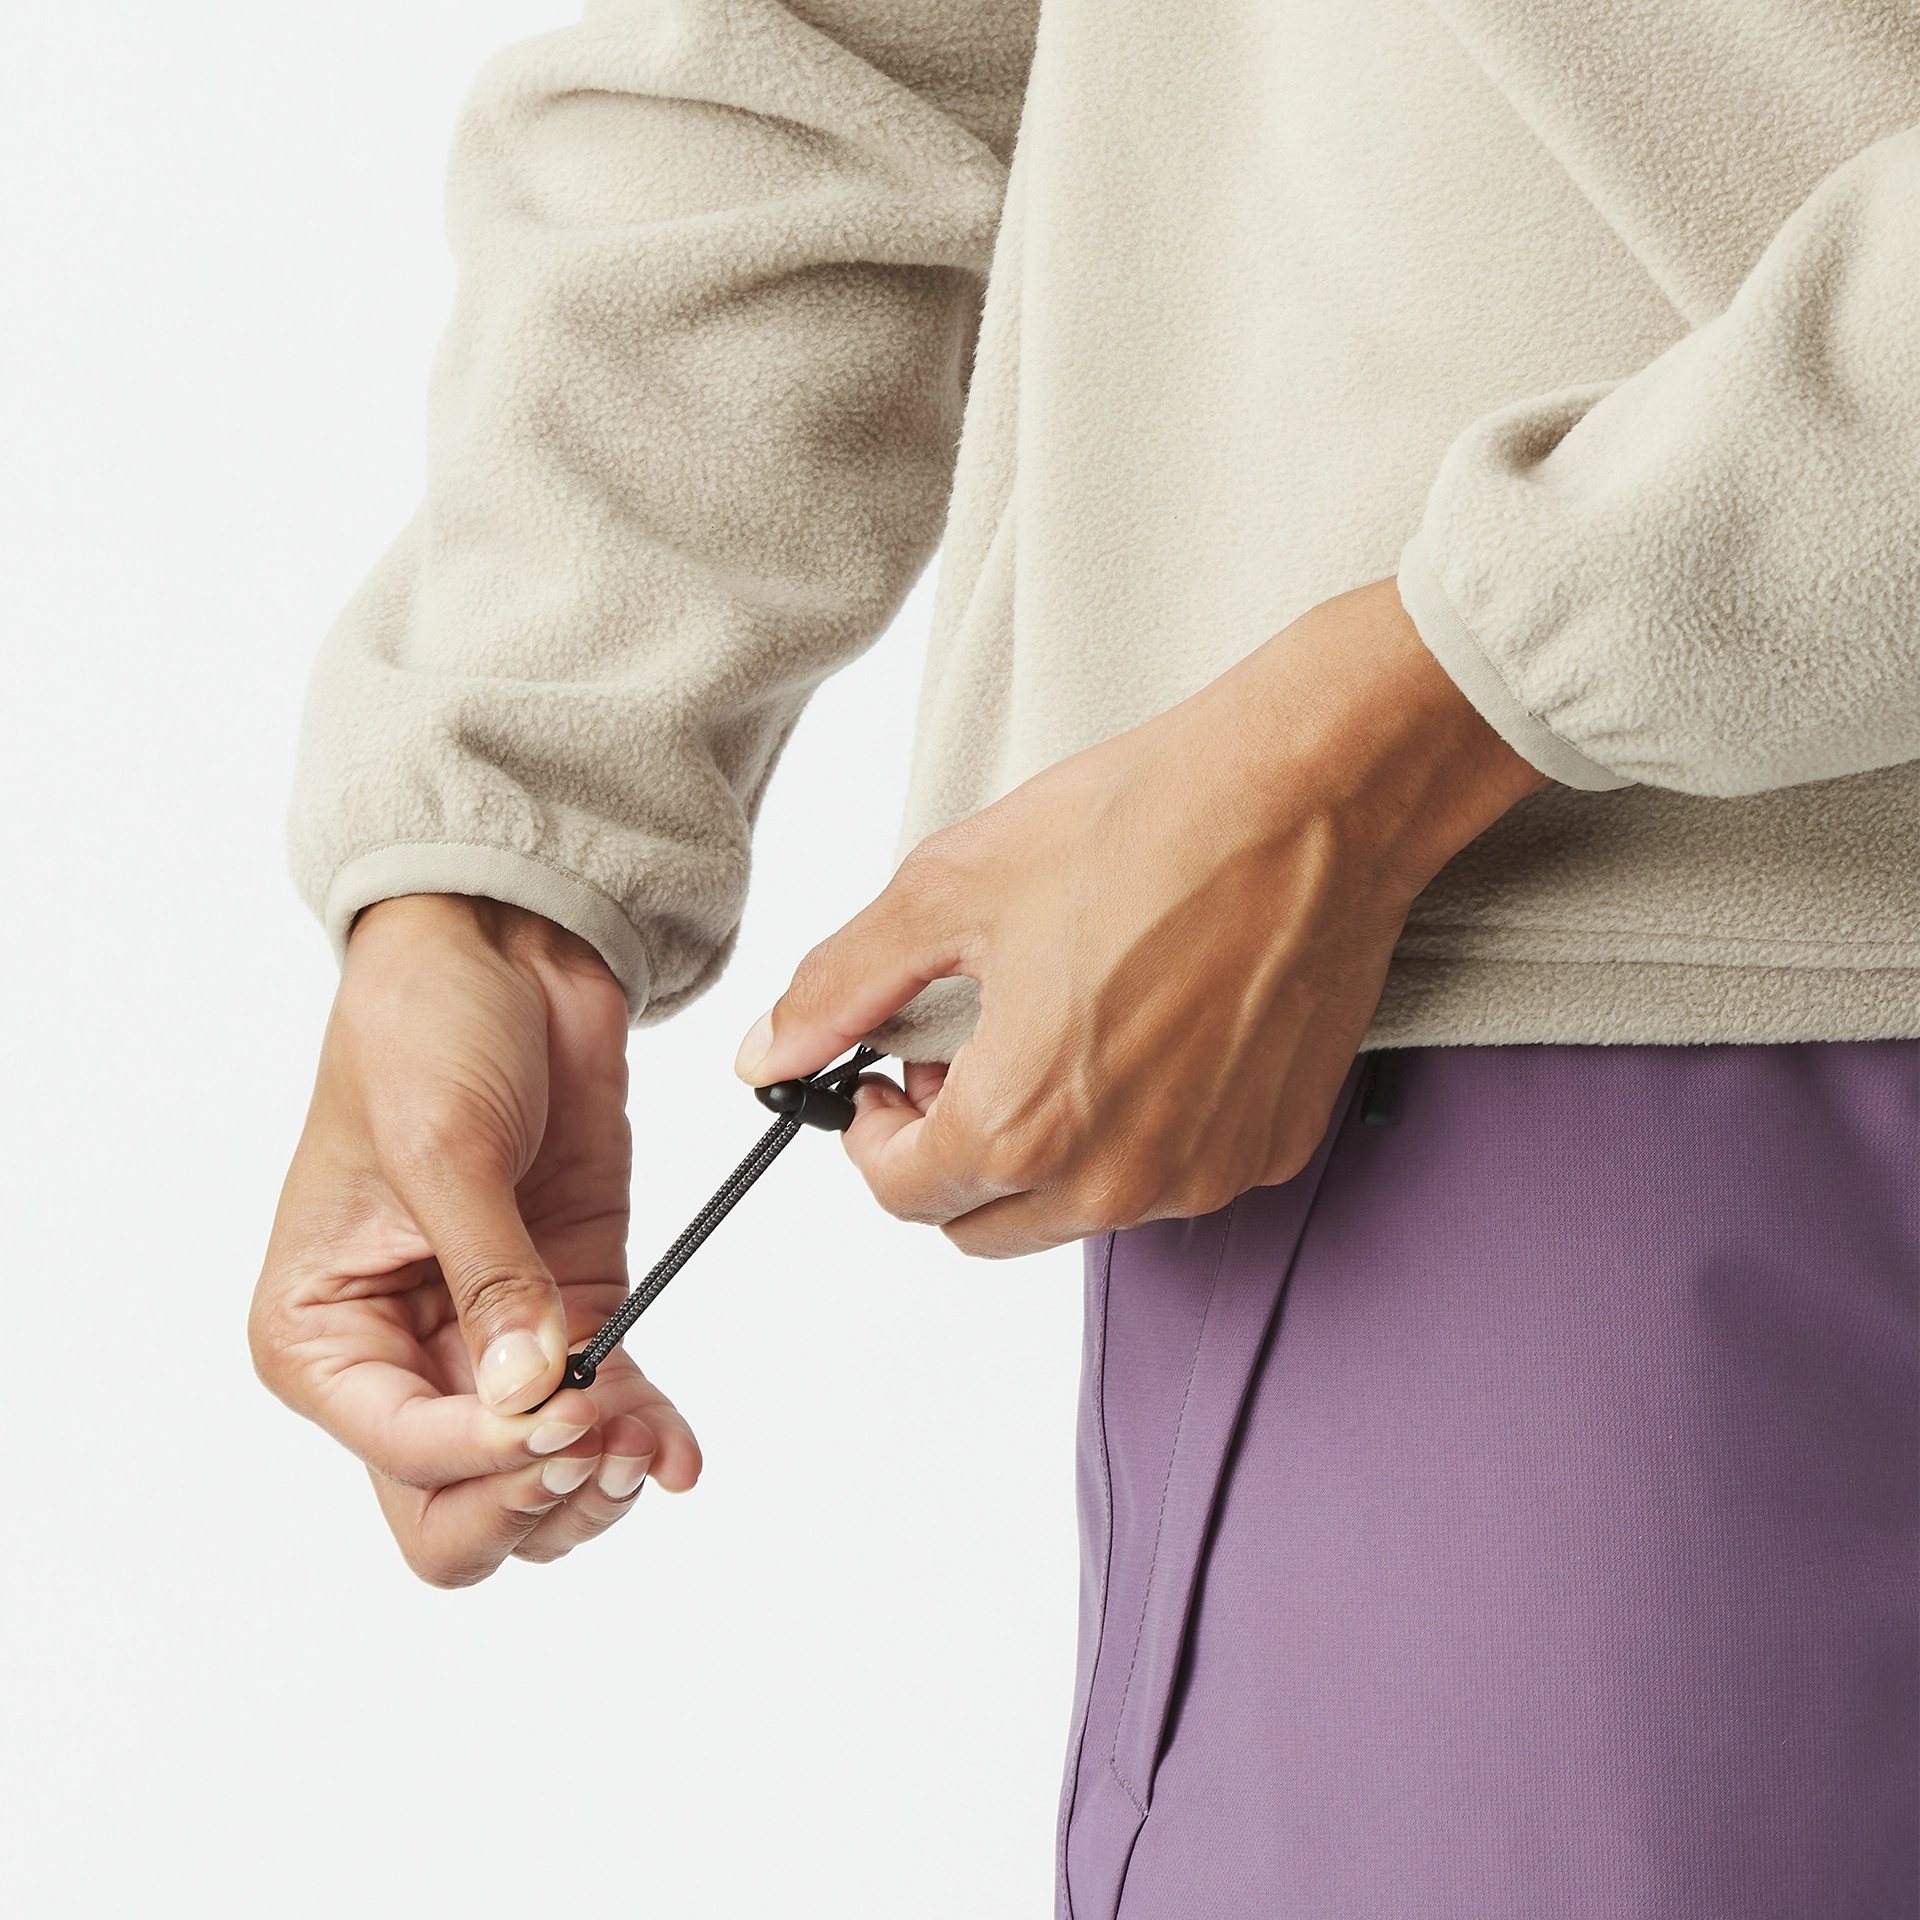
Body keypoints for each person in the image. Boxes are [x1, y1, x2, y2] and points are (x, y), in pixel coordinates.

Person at [252, 3, 1920, 1912]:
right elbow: (838, 47)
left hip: (1547, 977)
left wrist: (1401, 731)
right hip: (1549, 1023)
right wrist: (502, 846)